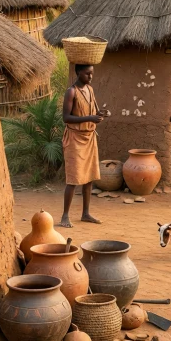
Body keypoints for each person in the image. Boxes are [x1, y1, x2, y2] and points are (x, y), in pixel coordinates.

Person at [60, 64, 104, 228]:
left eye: (92, 74)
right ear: (78, 73)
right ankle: (65, 216)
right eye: (87, 74)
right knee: (73, 178)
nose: (90, 77)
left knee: (89, 178)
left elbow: (93, 111)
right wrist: (89, 118)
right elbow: (66, 117)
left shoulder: (90, 90)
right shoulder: (71, 92)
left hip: (89, 137)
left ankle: (85, 213)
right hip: (75, 139)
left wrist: (99, 115)